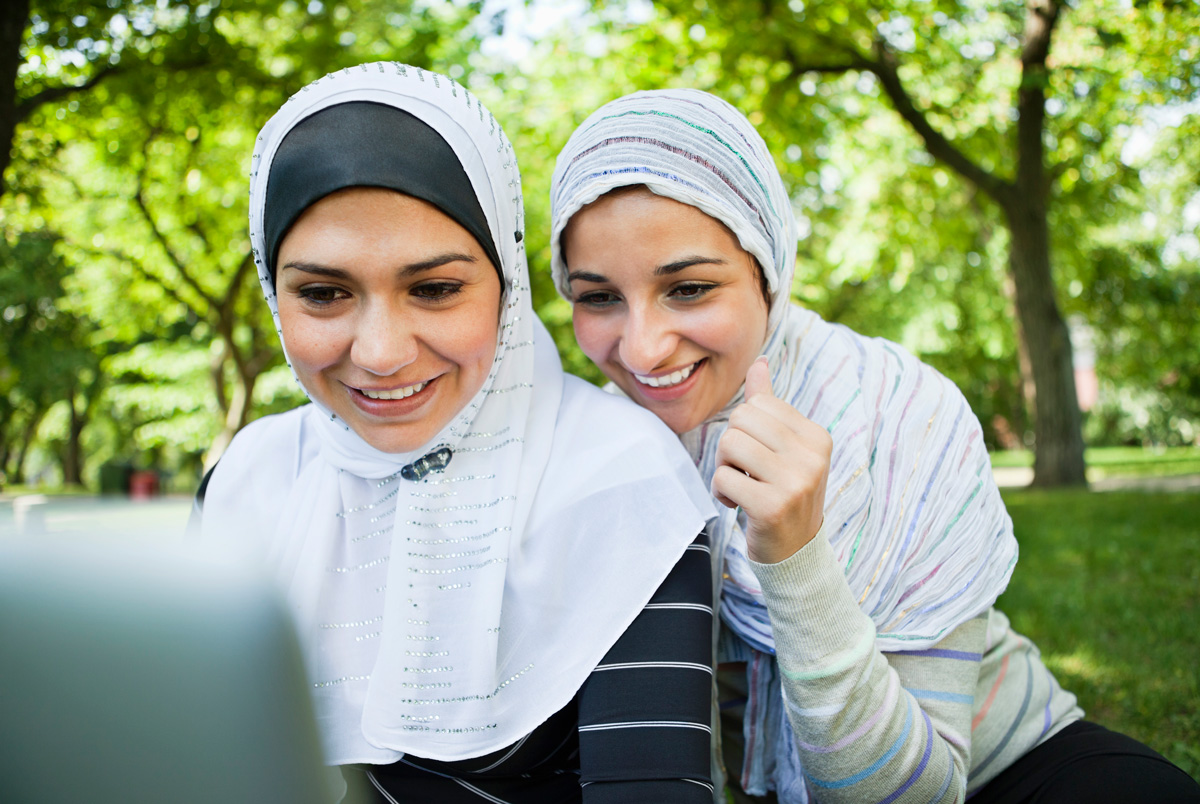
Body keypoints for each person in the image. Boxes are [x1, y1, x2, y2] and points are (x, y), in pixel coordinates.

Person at [549, 89, 1200, 804]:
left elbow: (918, 796)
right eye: (599, 297)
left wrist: (797, 558)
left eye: (691, 288)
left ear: (769, 270)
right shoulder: (592, 459)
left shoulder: (904, 413)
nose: (642, 346)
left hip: (1005, 767)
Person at [195, 65, 720, 802]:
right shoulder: (251, 478)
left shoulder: (616, 479)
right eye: (323, 293)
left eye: (435, 289)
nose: (380, 353)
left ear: (507, 283)